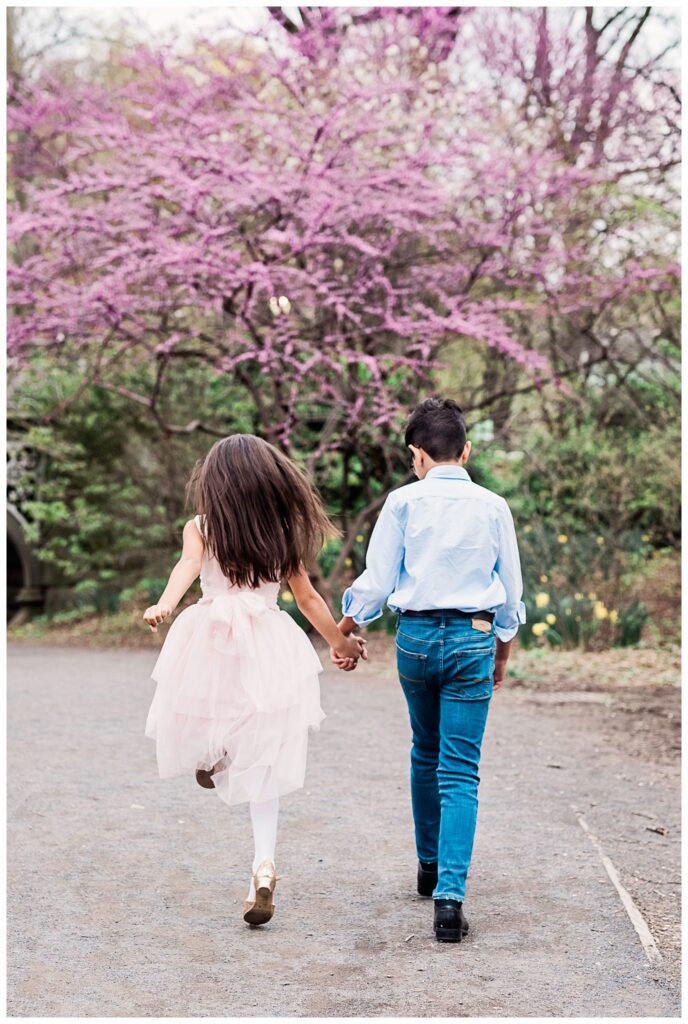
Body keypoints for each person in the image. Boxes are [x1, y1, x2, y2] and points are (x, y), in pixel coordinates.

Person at [143, 434, 366, 928]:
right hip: (269, 637)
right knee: (264, 752)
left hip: (212, 634)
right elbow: (307, 599)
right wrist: (339, 643)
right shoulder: (281, 532)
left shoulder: (200, 527)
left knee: (209, 710)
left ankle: (215, 757)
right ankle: (262, 867)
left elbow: (187, 566)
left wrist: (166, 603)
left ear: (216, 485)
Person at [332, 397, 526, 942]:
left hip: (415, 641)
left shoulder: (401, 502)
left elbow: (376, 581)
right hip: (474, 638)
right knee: (460, 768)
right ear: (465, 451)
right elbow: (510, 590)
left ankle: (427, 866)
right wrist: (502, 652)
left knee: (425, 748)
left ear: (417, 455)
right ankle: (449, 899)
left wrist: (344, 630)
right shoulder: (493, 506)